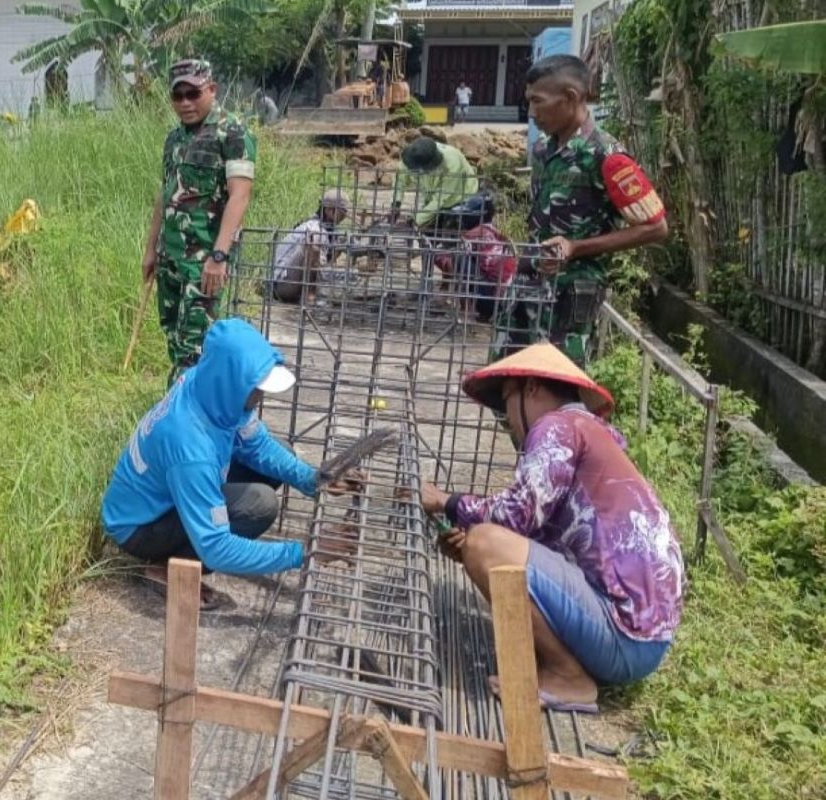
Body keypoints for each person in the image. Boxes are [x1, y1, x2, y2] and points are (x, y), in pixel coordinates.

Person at [416, 343, 683, 712]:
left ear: (531, 389)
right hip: (647, 640)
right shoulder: (592, 432)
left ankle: (567, 675)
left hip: (622, 634)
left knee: (484, 543)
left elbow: (516, 514)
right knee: (481, 543)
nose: (507, 418)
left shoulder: (558, 426)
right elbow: (542, 535)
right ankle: (570, 666)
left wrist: (447, 502)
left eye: (506, 401)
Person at [102, 319, 357, 609]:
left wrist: (312, 479)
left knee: (278, 456)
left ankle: (183, 548)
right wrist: (304, 552)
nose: (261, 396)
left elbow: (256, 444)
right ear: (232, 382)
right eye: (256, 388)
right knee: (259, 505)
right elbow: (216, 548)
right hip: (140, 526)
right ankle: (170, 568)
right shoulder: (190, 445)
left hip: (163, 493)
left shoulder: (210, 386)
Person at [492, 55, 668, 366]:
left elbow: (656, 227)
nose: (531, 113)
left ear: (571, 97)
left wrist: (576, 247)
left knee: (556, 393)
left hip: (569, 300)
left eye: (538, 102)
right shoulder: (544, 149)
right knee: (506, 383)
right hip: (527, 288)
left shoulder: (607, 157)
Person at [141, 58, 256, 384]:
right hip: (170, 258)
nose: (185, 103)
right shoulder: (174, 139)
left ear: (212, 90)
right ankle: (176, 411)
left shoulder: (232, 134)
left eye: (193, 93)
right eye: (178, 96)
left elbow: (239, 196)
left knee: (195, 346)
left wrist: (218, 256)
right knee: (174, 339)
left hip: (203, 263)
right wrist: (151, 250)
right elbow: (165, 195)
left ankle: (185, 418)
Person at [269, 189, 349, 304]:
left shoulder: (323, 227)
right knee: (313, 243)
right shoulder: (316, 229)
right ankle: (309, 297)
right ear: (329, 211)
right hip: (281, 285)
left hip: (286, 280)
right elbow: (317, 263)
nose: (344, 217)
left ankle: (311, 294)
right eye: (343, 212)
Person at [391, 137, 480, 232]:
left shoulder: (452, 163)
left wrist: (414, 220)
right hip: (432, 197)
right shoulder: (412, 158)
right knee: (426, 232)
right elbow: (400, 180)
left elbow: (439, 199)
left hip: (462, 197)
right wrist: (396, 203)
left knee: (450, 234)